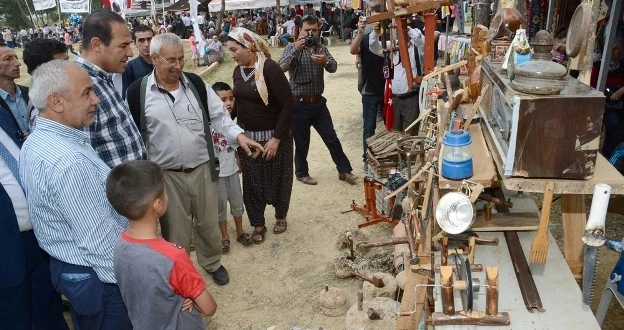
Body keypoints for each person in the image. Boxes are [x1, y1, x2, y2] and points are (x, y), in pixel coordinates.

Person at [125, 33, 263, 285]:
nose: (178, 66)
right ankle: (181, 272)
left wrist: (240, 136)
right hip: (166, 176)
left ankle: (212, 262)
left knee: (208, 222)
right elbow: (133, 136)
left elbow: (220, 118)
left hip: (202, 169)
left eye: (181, 59)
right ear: (154, 59)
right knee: (175, 230)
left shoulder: (197, 86)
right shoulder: (137, 93)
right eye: (170, 60)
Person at [20, 60, 132, 330]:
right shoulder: (69, 162)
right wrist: (132, 282)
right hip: (102, 280)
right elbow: (101, 243)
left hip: (72, 271)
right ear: (56, 102)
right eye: (86, 93)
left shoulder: (36, 140)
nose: (95, 100)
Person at [0, 40, 69, 330]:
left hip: (38, 228)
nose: (16, 62)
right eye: (7, 58)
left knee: (46, 304)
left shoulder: (19, 104)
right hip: (8, 244)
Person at [108, 160, 217, 329]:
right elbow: (209, 308)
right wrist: (194, 299)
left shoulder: (119, 245)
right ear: (158, 205)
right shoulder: (173, 257)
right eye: (164, 191)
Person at [226, 27, 293, 243]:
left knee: (279, 179)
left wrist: (277, 139)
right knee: (252, 183)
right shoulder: (237, 71)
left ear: (250, 47)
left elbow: (287, 106)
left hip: (275, 138)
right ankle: (258, 223)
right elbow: (240, 103)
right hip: (250, 140)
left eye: (235, 49)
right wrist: (228, 121)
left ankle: (281, 217)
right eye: (230, 50)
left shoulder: (270, 69)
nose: (232, 54)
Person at [278, 15, 357, 186]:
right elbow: (280, 68)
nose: (311, 34)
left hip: (319, 103)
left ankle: (344, 170)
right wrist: (296, 50)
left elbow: (334, 67)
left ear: (318, 30)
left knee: (331, 138)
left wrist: (326, 61)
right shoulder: (292, 47)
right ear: (300, 30)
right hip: (298, 104)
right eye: (307, 30)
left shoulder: (320, 48)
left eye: (314, 30)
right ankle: (301, 173)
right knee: (302, 141)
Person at [77, 10, 145, 168]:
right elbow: (83, 161)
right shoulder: (81, 86)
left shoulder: (102, 78)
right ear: (97, 45)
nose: (130, 53)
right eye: (123, 46)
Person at [212, 82, 251, 251]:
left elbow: (234, 145)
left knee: (236, 201)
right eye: (223, 100)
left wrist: (238, 158)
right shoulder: (209, 123)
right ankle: (224, 236)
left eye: (231, 99)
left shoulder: (230, 121)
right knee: (220, 205)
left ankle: (240, 232)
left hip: (233, 171)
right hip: (217, 174)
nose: (228, 103)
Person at [350, 4, 385, 170]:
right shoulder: (364, 36)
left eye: (379, 18)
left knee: (389, 126)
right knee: (369, 127)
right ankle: (367, 160)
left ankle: (385, 158)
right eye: (373, 18)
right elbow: (353, 49)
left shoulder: (390, 34)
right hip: (370, 88)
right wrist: (360, 31)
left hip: (388, 89)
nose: (376, 22)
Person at [389, 25, 425, 135]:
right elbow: (375, 47)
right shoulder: (393, 46)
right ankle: (399, 153)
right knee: (395, 132)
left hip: (411, 98)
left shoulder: (417, 48)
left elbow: (420, 40)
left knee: (409, 133)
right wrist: (375, 33)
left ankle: (408, 152)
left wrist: (407, 28)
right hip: (396, 99)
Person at [122, 24, 154, 97]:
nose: (146, 44)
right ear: (135, 43)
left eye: (149, 39)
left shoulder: (162, 63)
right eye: (141, 40)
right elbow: (127, 96)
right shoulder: (129, 68)